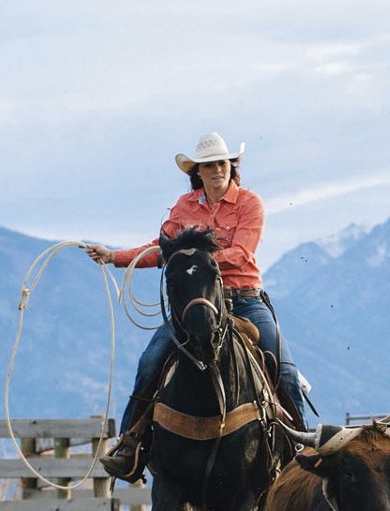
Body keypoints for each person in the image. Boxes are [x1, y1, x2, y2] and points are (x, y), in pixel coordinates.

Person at [86, 132, 313, 480]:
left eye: (222, 163)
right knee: (150, 363)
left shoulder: (250, 203)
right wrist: (115, 256)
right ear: (199, 172)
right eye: (210, 165)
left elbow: (242, 253)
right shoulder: (184, 207)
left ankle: (304, 450)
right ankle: (130, 445)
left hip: (244, 300)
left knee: (283, 371)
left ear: (231, 167)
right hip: (197, 304)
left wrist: (193, 258)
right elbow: (160, 247)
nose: (217, 170)